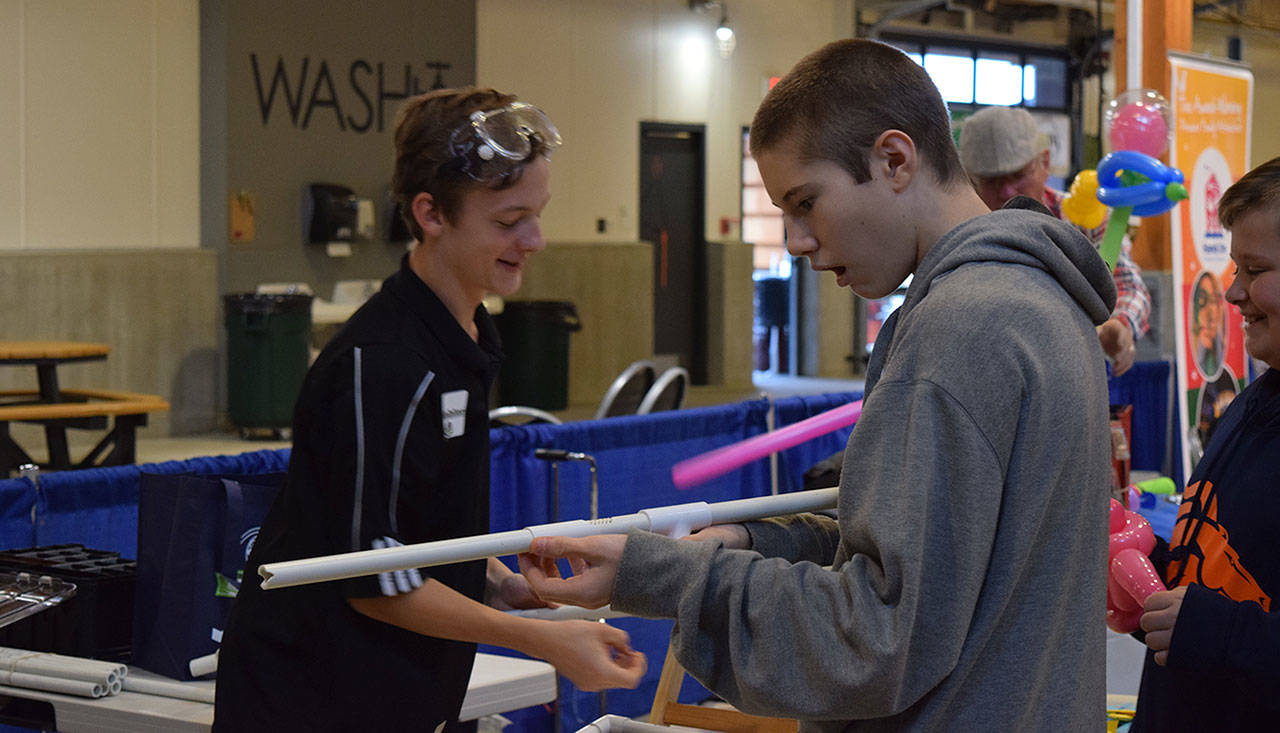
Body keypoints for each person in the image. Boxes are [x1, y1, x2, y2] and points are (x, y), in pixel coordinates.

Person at [519, 39, 1117, 730]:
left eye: (806, 202)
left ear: (895, 159)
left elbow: (873, 639)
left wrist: (663, 576)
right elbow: (943, 562)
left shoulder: (958, 331)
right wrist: (751, 543)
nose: (796, 240)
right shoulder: (1036, 298)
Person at [214, 88, 645, 732]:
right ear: (431, 213)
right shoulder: (381, 362)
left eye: (538, 214)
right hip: (311, 697)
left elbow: (411, 531)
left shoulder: (468, 336)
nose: (535, 240)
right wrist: (541, 640)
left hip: (402, 695)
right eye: (508, 221)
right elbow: (373, 578)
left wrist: (500, 581)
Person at [1131, 156, 1280, 730]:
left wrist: (1215, 632)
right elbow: (1226, 561)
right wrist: (1153, 576)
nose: (1235, 292)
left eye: (1254, 268)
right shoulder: (1251, 402)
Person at [958, 104, 1151, 375]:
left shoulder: (1085, 219)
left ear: (1045, 163)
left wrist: (1120, 324)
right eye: (991, 181)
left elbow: (1128, 285)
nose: (1007, 191)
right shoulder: (957, 233)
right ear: (969, 179)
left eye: (1018, 175)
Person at [1190, 270, 1226, 378]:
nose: (1210, 311)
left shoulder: (1222, 346)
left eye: (1214, 300)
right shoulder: (1194, 347)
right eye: (1202, 300)